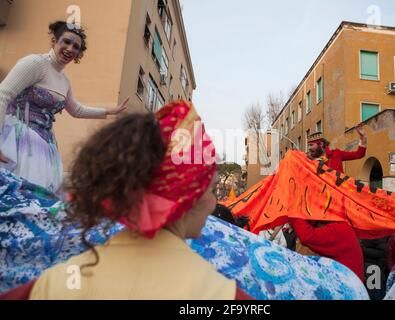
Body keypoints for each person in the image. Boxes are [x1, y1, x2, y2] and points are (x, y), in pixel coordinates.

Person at [15, 101, 252, 299]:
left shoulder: (52, 285)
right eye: (210, 190)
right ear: (188, 197)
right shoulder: (218, 293)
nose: (213, 204)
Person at [0, 21, 128, 193]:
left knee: (40, 198)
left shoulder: (64, 81)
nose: (70, 49)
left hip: (45, 146)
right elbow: (3, 94)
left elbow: (76, 110)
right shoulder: (35, 63)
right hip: (17, 139)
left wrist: (110, 111)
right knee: (15, 193)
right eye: (66, 42)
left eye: (76, 46)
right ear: (55, 40)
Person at [289, 124, 368, 282]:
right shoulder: (308, 163)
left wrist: (362, 138)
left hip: (336, 208)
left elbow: (359, 154)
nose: (309, 148)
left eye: (312, 145)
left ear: (321, 145)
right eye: (309, 146)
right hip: (317, 211)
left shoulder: (336, 155)